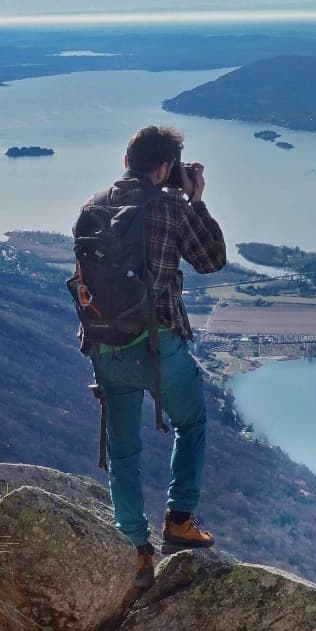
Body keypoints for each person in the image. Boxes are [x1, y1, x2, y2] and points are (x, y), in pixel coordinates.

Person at [74, 123, 227, 577]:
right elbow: (211, 260)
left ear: (126, 161)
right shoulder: (169, 207)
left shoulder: (91, 208)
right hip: (159, 348)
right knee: (192, 422)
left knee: (123, 451)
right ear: (165, 168)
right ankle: (179, 519)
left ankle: (135, 547)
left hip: (105, 349)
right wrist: (194, 200)